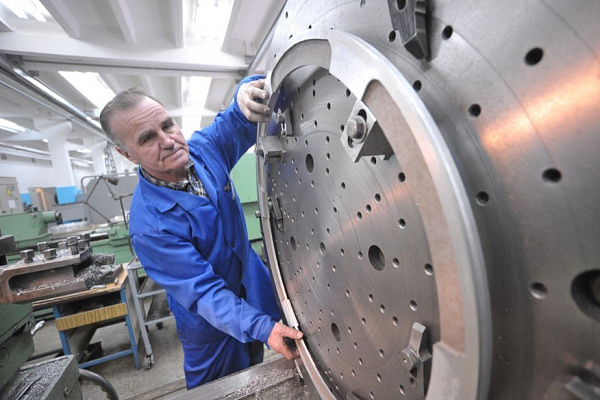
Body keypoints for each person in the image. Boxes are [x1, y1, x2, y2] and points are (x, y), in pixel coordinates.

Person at [99, 75, 303, 389]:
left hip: (254, 288)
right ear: (127, 154)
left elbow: (238, 116)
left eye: (167, 125)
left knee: (258, 370)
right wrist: (262, 327)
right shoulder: (149, 227)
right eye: (148, 138)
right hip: (210, 325)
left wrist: (246, 91)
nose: (168, 141)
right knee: (218, 389)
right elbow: (204, 293)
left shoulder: (205, 150)